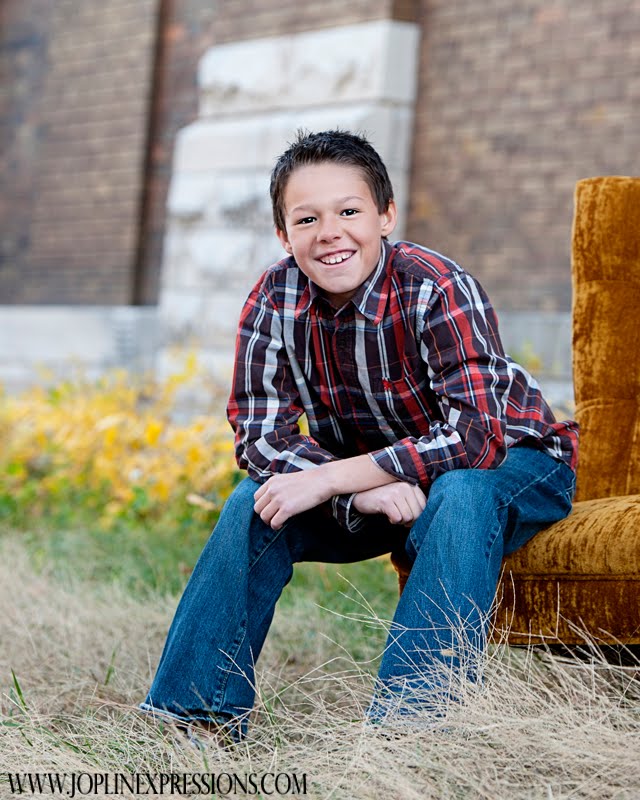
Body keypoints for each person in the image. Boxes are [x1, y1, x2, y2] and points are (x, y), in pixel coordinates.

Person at [141, 130, 578, 741]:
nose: (330, 233)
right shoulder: (274, 298)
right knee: (254, 503)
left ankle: (412, 730)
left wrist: (335, 478)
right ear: (283, 235)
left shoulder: (436, 285)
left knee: (460, 491)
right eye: (306, 219)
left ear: (385, 216)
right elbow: (259, 434)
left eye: (349, 211)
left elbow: (476, 437)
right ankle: (195, 715)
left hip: (516, 461)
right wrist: (362, 490)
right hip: (380, 482)